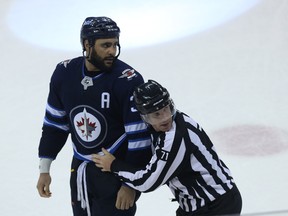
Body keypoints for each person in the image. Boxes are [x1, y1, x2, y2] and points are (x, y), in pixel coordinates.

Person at [36, 16, 152, 216]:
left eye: (115, 44)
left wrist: (131, 185)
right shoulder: (64, 73)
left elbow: (140, 138)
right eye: (105, 45)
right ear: (87, 44)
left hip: (117, 173)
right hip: (81, 169)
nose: (112, 51)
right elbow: (55, 125)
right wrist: (44, 169)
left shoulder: (127, 80)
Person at [92, 80, 242, 216]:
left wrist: (113, 165)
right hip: (196, 205)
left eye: (166, 109)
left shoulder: (175, 138)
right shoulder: (163, 129)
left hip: (217, 206)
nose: (165, 117)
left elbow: (147, 182)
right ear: (144, 117)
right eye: (156, 114)